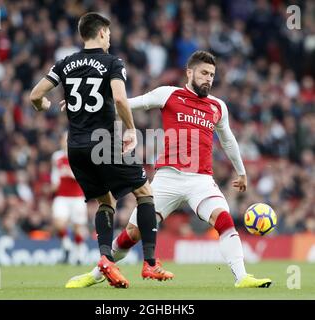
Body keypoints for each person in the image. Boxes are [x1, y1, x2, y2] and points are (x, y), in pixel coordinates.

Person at [67, 50, 272, 289]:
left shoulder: (218, 106)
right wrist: (86, 109)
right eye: (204, 73)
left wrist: (241, 171)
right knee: (132, 234)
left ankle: (242, 277)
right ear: (189, 72)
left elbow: (228, 140)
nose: (208, 79)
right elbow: (132, 104)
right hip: (167, 178)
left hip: (201, 180)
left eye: (212, 75)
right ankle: (97, 273)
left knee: (223, 218)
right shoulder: (169, 94)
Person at [30, 12, 173, 288]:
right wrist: (130, 129)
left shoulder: (65, 63)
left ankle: (105, 259)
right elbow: (119, 97)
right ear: (102, 33)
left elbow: (36, 95)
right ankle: (151, 263)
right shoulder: (112, 62)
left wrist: (45, 107)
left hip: (76, 147)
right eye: (108, 33)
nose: (110, 37)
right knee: (144, 193)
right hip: (103, 142)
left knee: (106, 201)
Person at [51, 131, 88, 264]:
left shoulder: (79, 156)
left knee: (78, 227)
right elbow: (55, 173)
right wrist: (54, 183)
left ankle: (79, 254)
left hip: (77, 197)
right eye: (63, 140)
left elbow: (85, 176)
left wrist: (71, 173)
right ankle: (66, 245)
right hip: (62, 196)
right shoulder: (56, 157)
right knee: (58, 223)